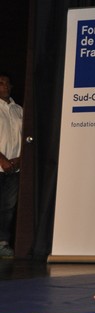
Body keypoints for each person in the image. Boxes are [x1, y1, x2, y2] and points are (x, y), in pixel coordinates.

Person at [0, 74, 23, 259]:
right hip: (0, 165)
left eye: (8, 83)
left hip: (15, 168)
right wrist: (2, 160)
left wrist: (19, 159)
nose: (5, 86)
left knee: (8, 207)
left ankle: (3, 243)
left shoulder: (19, 110)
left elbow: (28, 139)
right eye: (1, 83)